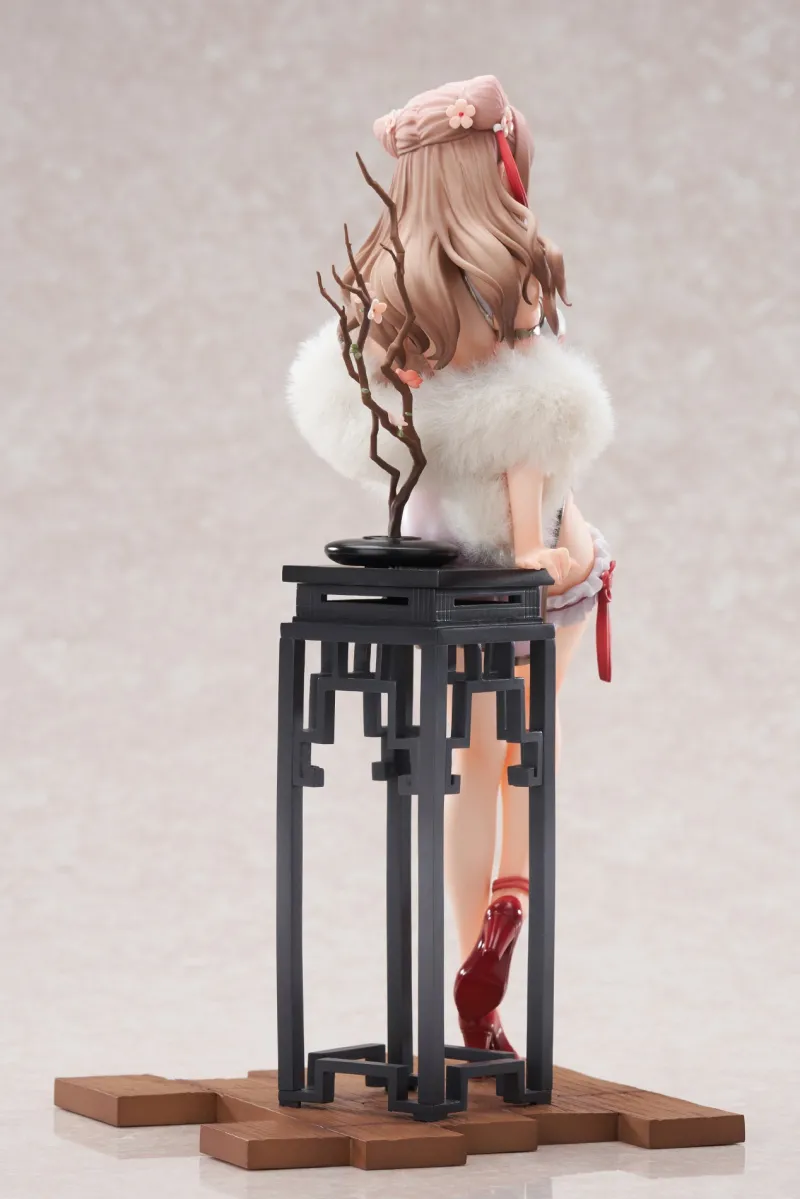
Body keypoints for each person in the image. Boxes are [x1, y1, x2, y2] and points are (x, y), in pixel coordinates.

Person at [287, 74, 614, 1054]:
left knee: (468, 764)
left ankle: (476, 1000)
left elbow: (393, 436)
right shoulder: (511, 270)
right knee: (525, 751)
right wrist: (535, 547)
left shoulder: (388, 283)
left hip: (431, 551)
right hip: (519, 553)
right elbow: (527, 435)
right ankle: (506, 908)